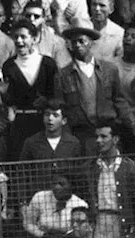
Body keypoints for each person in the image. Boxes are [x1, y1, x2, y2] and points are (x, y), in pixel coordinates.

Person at [57, 25, 134, 154]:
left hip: (107, 129)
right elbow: (61, 107)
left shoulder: (109, 70)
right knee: (86, 169)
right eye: (74, 42)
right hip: (80, 133)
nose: (77, 45)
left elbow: (119, 100)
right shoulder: (63, 75)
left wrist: (131, 124)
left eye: (81, 41)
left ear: (91, 43)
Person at [83, 122, 135, 238]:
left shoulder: (129, 167)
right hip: (97, 222)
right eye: (96, 137)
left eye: (103, 136)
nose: (98, 140)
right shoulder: (90, 167)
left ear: (115, 139)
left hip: (121, 222)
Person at [2, 18, 60, 143]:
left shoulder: (47, 64)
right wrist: (3, 93)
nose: (19, 41)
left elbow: (56, 95)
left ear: (34, 39)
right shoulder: (9, 66)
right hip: (20, 125)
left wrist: (46, 101)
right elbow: (10, 101)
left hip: (44, 123)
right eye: (16, 37)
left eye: (23, 37)